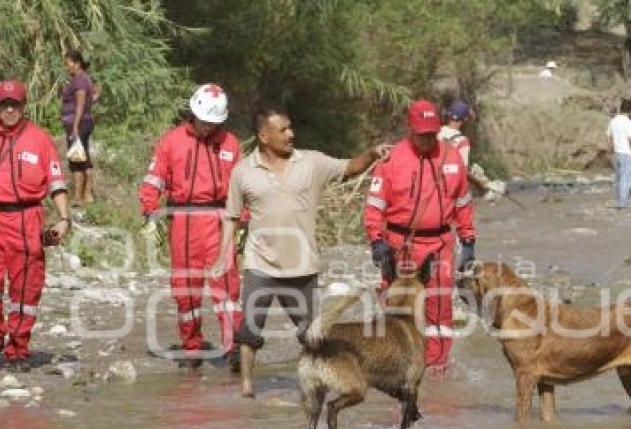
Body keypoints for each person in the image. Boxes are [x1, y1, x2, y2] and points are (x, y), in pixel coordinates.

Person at [212, 103, 390, 397]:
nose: (291, 134)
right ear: (263, 136)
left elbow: (349, 167)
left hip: (302, 266)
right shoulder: (243, 172)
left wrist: (371, 154)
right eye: (283, 130)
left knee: (311, 334)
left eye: (291, 127)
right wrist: (222, 256)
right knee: (249, 331)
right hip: (260, 265)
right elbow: (231, 217)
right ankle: (246, 388)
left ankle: (319, 382)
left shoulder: (312, 162)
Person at [0, 80, 70, 372]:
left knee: (25, 292)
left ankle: (18, 349)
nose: (9, 109)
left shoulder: (40, 140)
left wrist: (63, 218)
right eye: (4, 104)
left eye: (15, 104)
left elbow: (57, 183)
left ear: (23, 106)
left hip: (27, 220)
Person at [365, 99, 476, 378]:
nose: (428, 139)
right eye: (422, 134)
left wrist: (469, 240)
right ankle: (395, 362)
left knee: (439, 307)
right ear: (410, 128)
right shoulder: (391, 160)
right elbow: (375, 205)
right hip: (400, 244)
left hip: (441, 243)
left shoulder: (451, 158)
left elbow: (463, 202)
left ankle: (437, 366)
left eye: (432, 133)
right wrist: (376, 240)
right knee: (398, 305)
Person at [138, 84, 244, 370]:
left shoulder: (231, 144)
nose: (208, 127)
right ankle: (192, 347)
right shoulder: (171, 142)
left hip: (221, 219)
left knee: (226, 286)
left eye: (214, 123)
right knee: (186, 288)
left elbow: (241, 185)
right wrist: (149, 209)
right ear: (193, 113)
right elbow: (154, 178)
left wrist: (243, 219)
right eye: (204, 121)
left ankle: (234, 348)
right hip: (183, 220)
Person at [438, 100, 505, 197]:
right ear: (465, 120)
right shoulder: (462, 141)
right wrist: (480, 184)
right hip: (450, 190)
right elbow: (462, 171)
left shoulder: (436, 133)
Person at [61, 50, 95, 205]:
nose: (67, 68)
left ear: (77, 64)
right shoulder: (84, 79)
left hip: (78, 124)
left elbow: (80, 103)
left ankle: (79, 197)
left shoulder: (80, 80)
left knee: (77, 160)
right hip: (83, 122)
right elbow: (93, 95)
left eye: (68, 64)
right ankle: (86, 195)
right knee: (83, 157)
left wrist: (75, 127)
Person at [606, 99, 631, 209]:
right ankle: (623, 202)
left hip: (616, 152)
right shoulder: (629, 123)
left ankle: (619, 199)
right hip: (627, 152)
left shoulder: (613, 121)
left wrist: (610, 151)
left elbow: (609, 137)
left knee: (618, 178)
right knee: (626, 178)